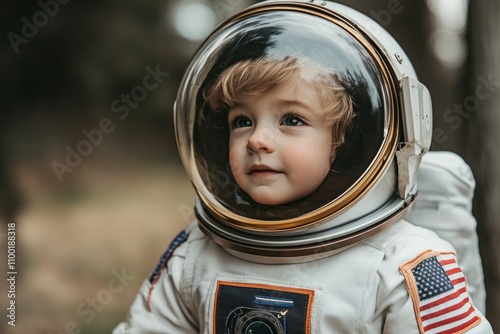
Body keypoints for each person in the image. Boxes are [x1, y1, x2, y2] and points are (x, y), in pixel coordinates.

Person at [114, 1, 493, 333]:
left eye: (291, 120)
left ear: (341, 143)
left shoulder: (403, 266)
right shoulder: (196, 252)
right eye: (241, 121)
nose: (257, 140)